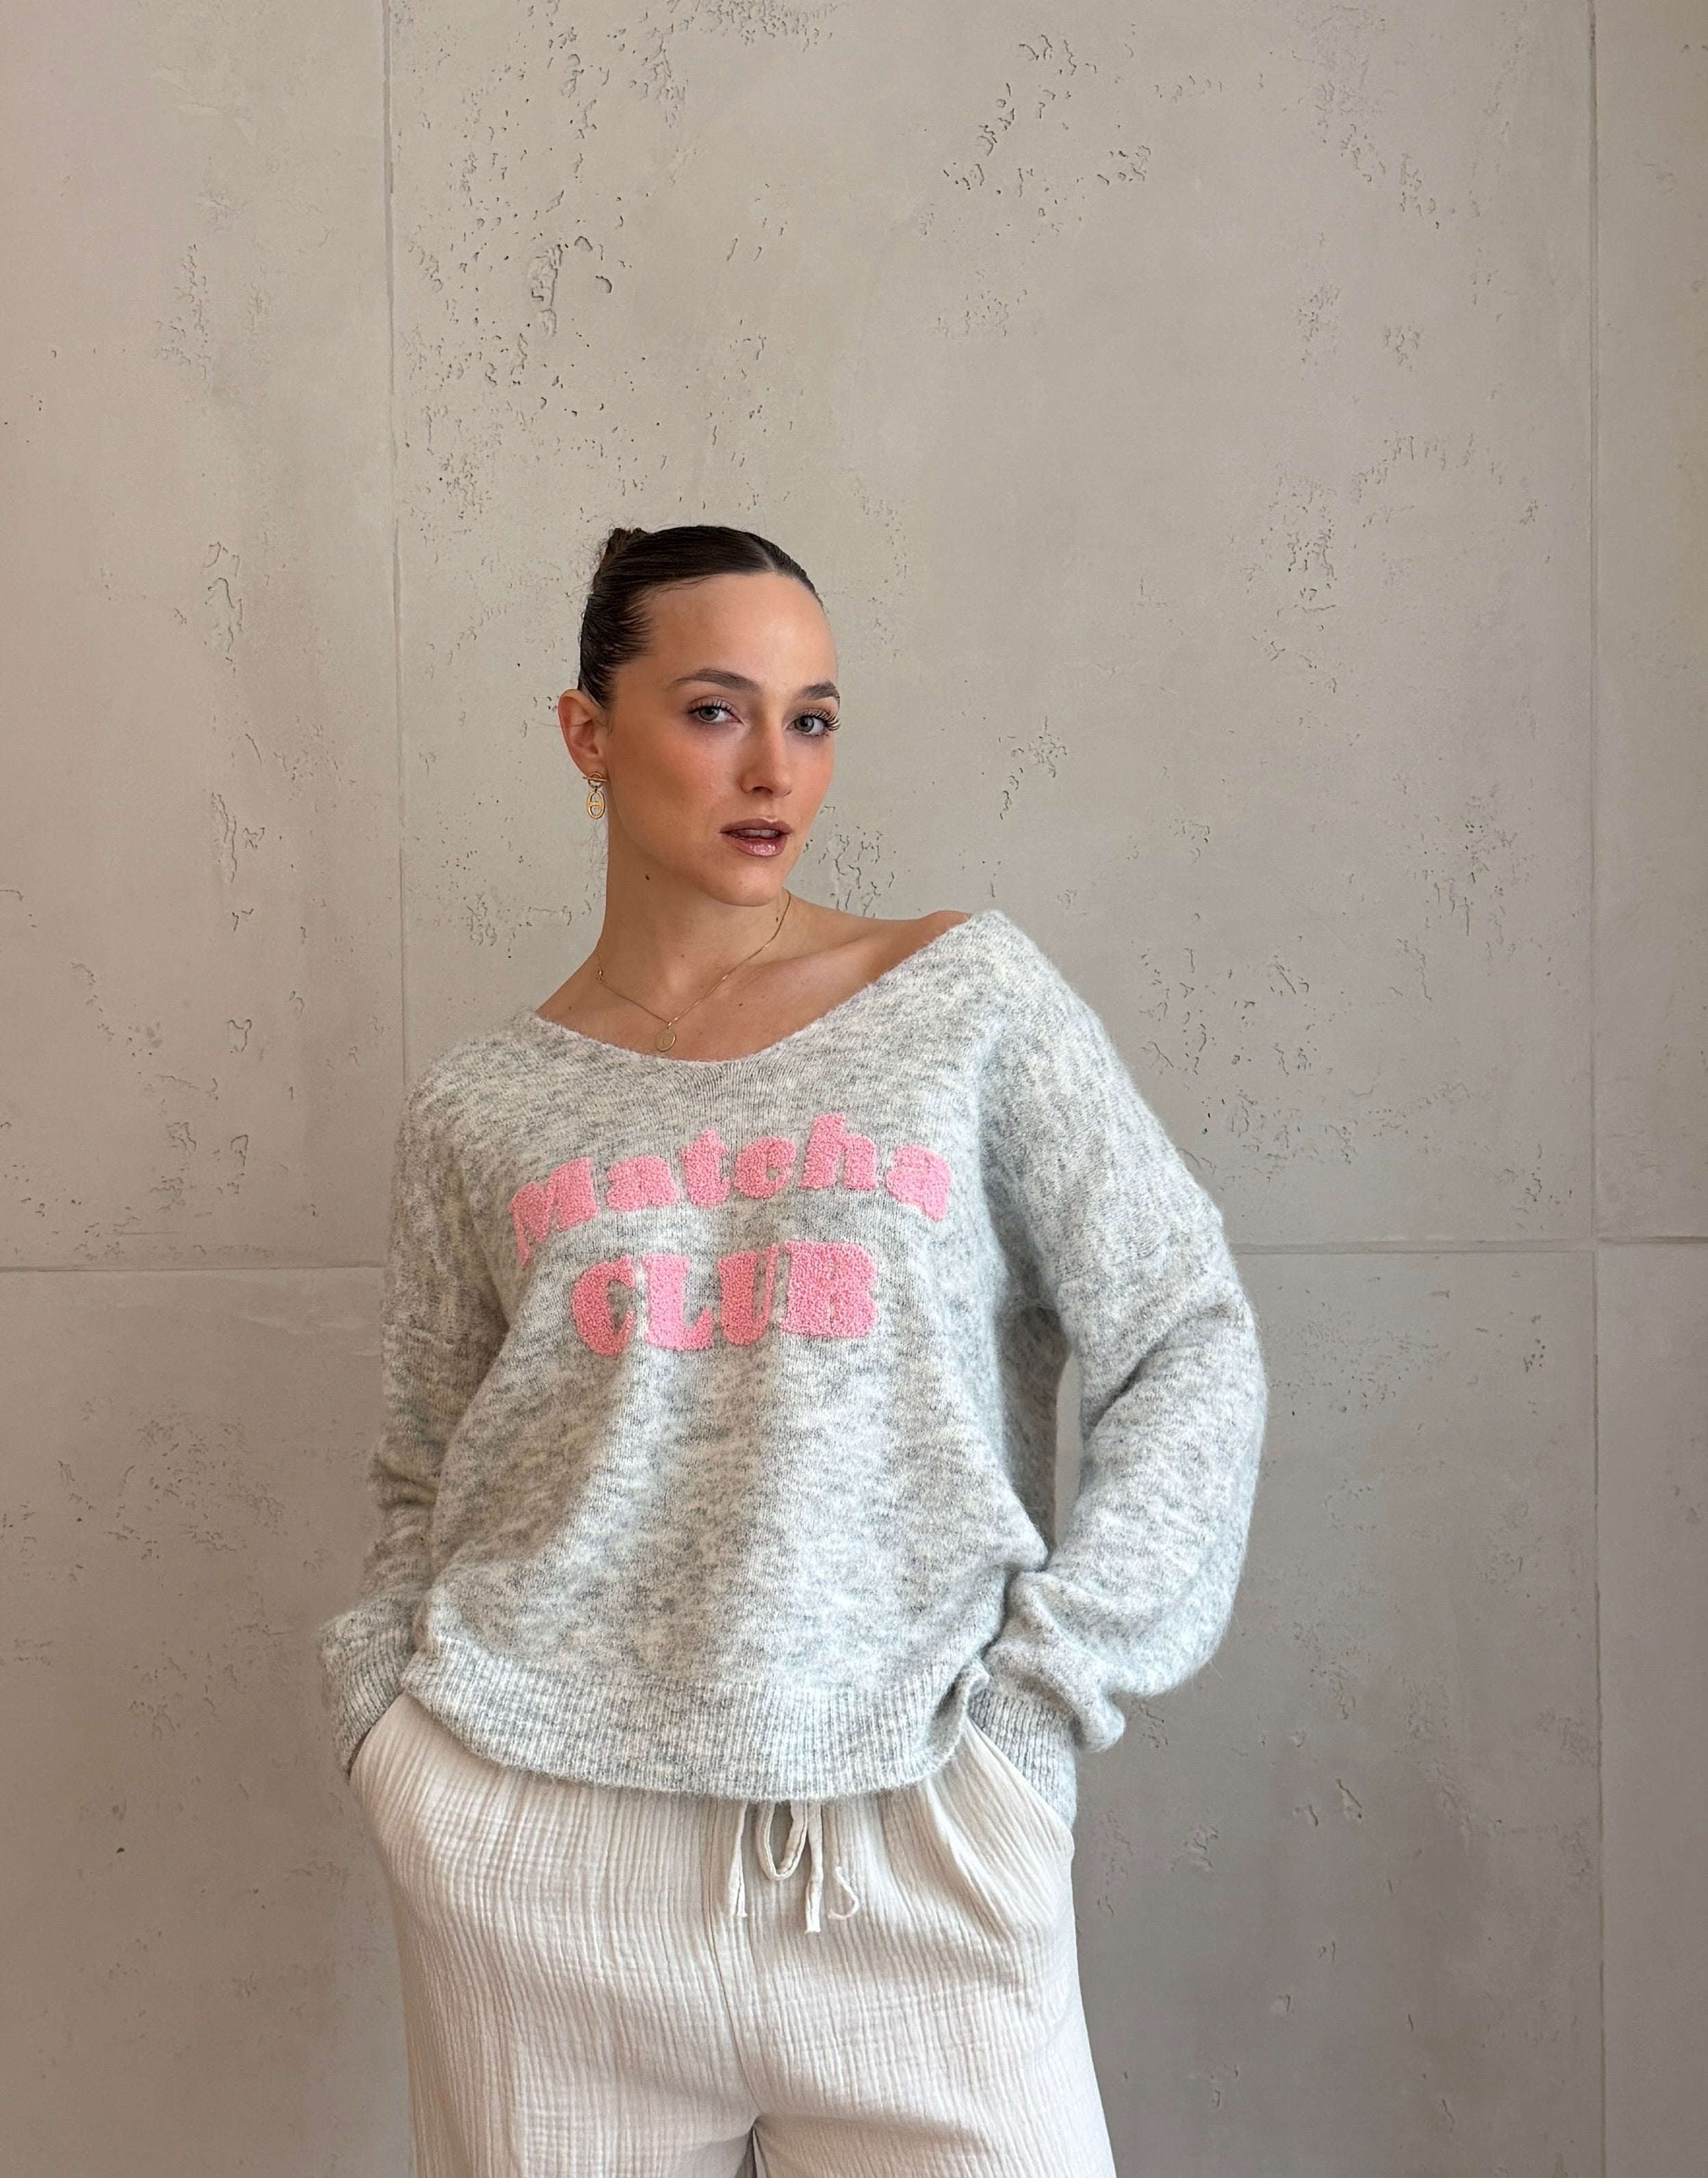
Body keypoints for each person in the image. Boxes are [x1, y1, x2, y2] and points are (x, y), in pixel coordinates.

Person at [319, 522, 1270, 2177]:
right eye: (715, 710)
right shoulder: (480, 1107)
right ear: (588, 733)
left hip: (910, 1840)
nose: (775, 768)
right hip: (542, 1867)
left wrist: (1041, 1711)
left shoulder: (965, 1002)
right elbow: (423, 1465)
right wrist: (397, 1742)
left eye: (812, 718)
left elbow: (1186, 1333)